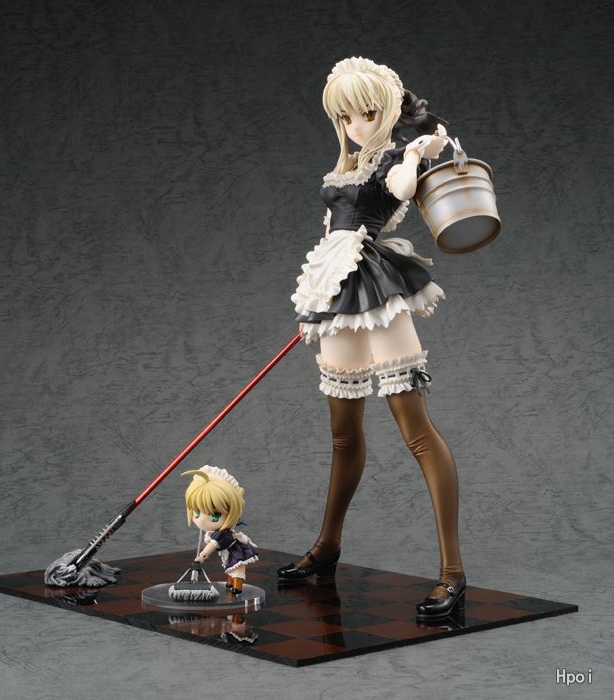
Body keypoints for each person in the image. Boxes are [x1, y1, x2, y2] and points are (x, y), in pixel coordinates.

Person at [278, 56, 465, 619]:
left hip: (379, 296)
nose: (356, 125)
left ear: (385, 111)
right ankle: (327, 547)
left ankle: (453, 573)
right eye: (345, 117)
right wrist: (314, 306)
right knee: (343, 433)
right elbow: (329, 238)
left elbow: (403, 189)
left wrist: (413, 153)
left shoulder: (390, 160)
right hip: (339, 298)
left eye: (366, 114)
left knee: (416, 432)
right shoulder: (344, 171)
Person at [182, 465, 258, 594]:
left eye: (215, 515)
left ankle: (237, 586)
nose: (202, 520)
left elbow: (212, 546)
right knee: (230, 567)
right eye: (197, 512)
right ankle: (230, 583)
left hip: (236, 552)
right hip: (228, 553)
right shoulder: (215, 533)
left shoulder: (222, 535)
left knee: (237, 568)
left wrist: (201, 557)